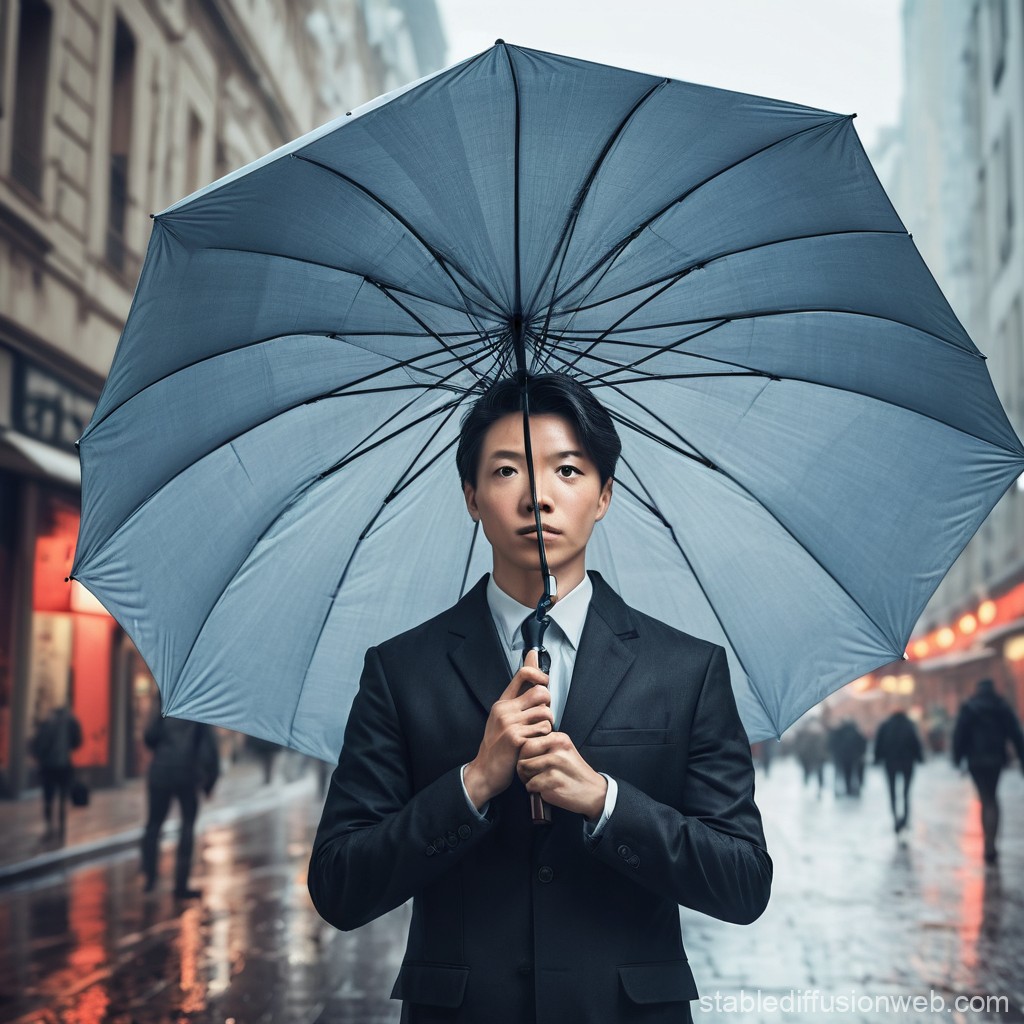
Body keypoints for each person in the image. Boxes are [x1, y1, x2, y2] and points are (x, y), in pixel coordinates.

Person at [309, 373, 772, 1023]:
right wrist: (471, 785)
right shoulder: (400, 671)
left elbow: (743, 881)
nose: (538, 498)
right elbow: (339, 885)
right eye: (505, 471)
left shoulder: (687, 671)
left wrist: (604, 801)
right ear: (471, 496)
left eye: (568, 471)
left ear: (605, 495)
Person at [141, 710, 220, 898]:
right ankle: (181, 885)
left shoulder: (165, 705)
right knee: (186, 827)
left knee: (153, 825)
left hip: (160, 772)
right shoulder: (198, 710)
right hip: (187, 773)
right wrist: (209, 783)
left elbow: (149, 737)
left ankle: (150, 880)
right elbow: (209, 749)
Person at [952, 678, 1024, 865]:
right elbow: (1016, 734)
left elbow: (959, 735)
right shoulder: (1001, 706)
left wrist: (958, 759)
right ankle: (992, 842)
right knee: (993, 798)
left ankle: (988, 843)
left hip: (975, 761)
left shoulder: (970, 707)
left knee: (985, 799)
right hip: (995, 759)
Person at [29, 704, 83, 841]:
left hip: (48, 764)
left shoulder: (47, 721)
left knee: (48, 796)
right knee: (62, 796)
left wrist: (39, 756)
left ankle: (49, 825)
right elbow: (77, 741)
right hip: (63, 763)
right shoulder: (71, 721)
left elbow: (37, 742)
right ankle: (61, 826)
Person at [873, 709, 924, 834]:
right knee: (906, 793)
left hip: (890, 763)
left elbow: (879, 744)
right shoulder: (909, 724)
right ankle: (905, 819)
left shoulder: (885, 725)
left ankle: (895, 817)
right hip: (907, 762)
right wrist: (920, 757)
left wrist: (877, 758)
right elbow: (916, 743)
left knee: (892, 792)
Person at [829, 719, 867, 796]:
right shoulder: (856, 731)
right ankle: (851, 789)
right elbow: (862, 743)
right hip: (853, 757)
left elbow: (833, 744)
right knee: (852, 773)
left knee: (842, 773)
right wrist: (860, 753)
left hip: (842, 757)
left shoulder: (839, 732)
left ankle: (844, 789)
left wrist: (836, 754)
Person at [792, 717, 828, 797]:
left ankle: (819, 787)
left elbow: (825, 745)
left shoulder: (820, 731)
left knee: (819, 772)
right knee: (810, 771)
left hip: (818, 756)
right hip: (810, 756)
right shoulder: (804, 732)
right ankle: (810, 784)